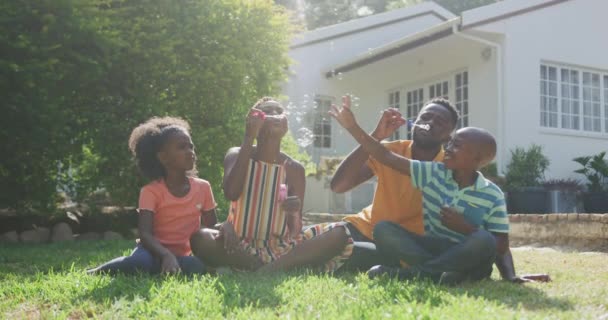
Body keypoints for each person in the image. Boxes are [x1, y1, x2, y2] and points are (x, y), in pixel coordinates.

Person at [331, 96, 549, 283]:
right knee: (383, 229)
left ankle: (420, 274)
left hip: (469, 254)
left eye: (456, 144)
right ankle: (439, 274)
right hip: (430, 248)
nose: (450, 148)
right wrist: (357, 128)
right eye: (425, 117)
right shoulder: (434, 172)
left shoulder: (489, 192)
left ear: (476, 159)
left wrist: (509, 275)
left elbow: (499, 244)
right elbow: (382, 156)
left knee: (483, 240)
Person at [190, 97, 353, 273]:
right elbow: (231, 192)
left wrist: (294, 212)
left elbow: (295, 230)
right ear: (254, 121)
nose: (274, 115)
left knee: (340, 232)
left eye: (278, 111)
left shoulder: (294, 169)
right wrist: (248, 136)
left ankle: (266, 270)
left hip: (282, 248)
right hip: (239, 245)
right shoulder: (238, 153)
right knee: (201, 238)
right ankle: (264, 268)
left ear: (286, 126)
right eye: (267, 112)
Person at [332, 98, 457, 271]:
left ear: (448, 137)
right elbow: (339, 186)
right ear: (415, 123)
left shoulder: (447, 167)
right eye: (425, 117)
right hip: (364, 227)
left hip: (404, 242)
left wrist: (356, 128)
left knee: (336, 249)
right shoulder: (392, 149)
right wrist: (376, 135)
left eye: (440, 122)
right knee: (317, 238)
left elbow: (384, 156)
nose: (430, 123)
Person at [87, 117, 215, 275]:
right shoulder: (150, 192)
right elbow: (144, 234)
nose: (190, 152)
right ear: (163, 157)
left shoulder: (203, 187)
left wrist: (226, 230)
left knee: (196, 266)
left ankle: (161, 268)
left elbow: (212, 228)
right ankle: (96, 271)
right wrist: (166, 254)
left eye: (191, 146)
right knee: (140, 262)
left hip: (181, 255)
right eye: (182, 147)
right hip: (150, 251)